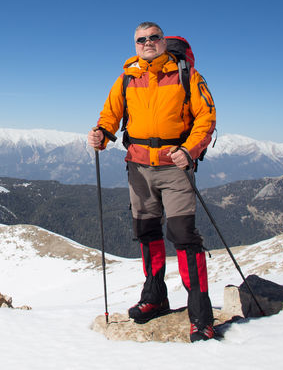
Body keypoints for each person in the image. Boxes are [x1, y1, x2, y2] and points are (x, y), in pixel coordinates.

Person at [87, 21, 217, 342]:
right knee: (146, 230)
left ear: (163, 41)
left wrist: (190, 149)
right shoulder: (128, 77)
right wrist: (102, 133)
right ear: (135, 45)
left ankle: (200, 313)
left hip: (175, 167)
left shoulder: (186, 75)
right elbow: (110, 114)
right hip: (138, 167)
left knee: (183, 234)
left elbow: (206, 117)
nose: (147, 43)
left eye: (153, 38)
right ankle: (155, 296)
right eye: (140, 40)